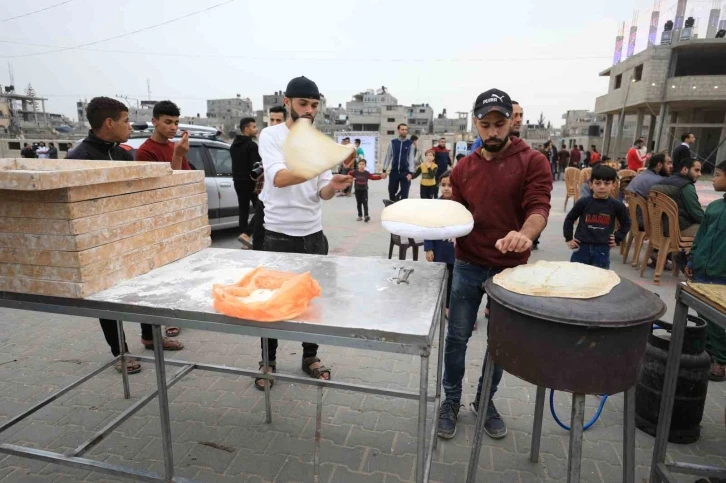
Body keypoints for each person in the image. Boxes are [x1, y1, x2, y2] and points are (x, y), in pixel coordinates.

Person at [438, 88, 552, 441]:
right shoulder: (464, 167)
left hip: (510, 268)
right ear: (475, 123)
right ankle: (451, 400)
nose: (492, 131)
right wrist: (441, 224)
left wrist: (524, 233)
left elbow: (539, 208)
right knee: (456, 337)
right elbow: (456, 213)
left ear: (511, 122)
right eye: (485, 124)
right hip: (468, 263)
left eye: (499, 124)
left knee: (499, 343)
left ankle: (485, 401)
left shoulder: (532, 161)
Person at [67, 97, 184, 373]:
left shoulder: (122, 155)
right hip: (96, 243)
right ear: (109, 123)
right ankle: (120, 352)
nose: (129, 126)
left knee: (146, 289)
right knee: (106, 299)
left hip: (131, 238)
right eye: (125, 121)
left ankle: (150, 336)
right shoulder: (79, 158)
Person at [255, 76, 353, 390]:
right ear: (288, 103)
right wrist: (322, 163)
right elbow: (280, 179)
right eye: (303, 104)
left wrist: (332, 187)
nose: (309, 110)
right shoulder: (271, 136)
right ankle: (267, 361)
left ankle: (309, 357)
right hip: (279, 235)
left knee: (311, 301)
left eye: (314, 105)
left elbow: (319, 193)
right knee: (273, 301)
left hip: (314, 234)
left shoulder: (317, 142)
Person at [133, 100, 189, 345]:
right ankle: (154, 332)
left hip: (177, 219)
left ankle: (173, 315)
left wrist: (179, 155)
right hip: (156, 222)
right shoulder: (145, 151)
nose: (172, 127)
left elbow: (184, 181)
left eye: (176, 122)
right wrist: (177, 156)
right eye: (167, 122)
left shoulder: (177, 147)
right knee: (157, 278)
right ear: (154, 121)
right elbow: (161, 190)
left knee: (178, 272)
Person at [685, 160, 726, 381]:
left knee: (719, 318)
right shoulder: (715, 206)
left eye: (718, 175)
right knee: (704, 314)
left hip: (722, 275)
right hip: (702, 269)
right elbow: (701, 236)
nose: (713, 178)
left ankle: (722, 360)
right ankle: (709, 353)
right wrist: (692, 260)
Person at [564, 165, 630, 269]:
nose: (602, 187)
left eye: (607, 183)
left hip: (602, 249)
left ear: (613, 185)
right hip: (581, 247)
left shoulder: (616, 205)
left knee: (601, 278)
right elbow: (569, 219)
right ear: (591, 184)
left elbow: (626, 223)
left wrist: (617, 237)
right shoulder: (583, 202)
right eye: (598, 183)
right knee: (576, 275)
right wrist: (568, 238)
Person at [249, 106, 287, 251]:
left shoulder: (289, 141)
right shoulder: (266, 137)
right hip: (264, 193)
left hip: (281, 198)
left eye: (278, 120)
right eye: (272, 119)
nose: (274, 123)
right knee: (259, 234)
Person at [424, 169, 455, 317]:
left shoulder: (461, 205)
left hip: (456, 252)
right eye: (443, 185)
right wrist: (428, 248)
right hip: (439, 250)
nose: (446, 188)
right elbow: (428, 226)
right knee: (438, 279)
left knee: (453, 282)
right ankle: (436, 305)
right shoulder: (434, 205)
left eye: (450, 185)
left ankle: (448, 307)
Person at [651, 158, 704, 237]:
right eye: (696, 170)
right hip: (678, 229)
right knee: (716, 229)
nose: (699, 174)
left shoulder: (660, 182)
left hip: (658, 228)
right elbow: (697, 213)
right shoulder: (686, 186)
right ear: (685, 169)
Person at [231, 117, 261, 248]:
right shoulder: (252, 145)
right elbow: (255, 166)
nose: (256, 129)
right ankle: (249, 235)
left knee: (243, 211)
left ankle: (244, 240)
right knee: (261, 209)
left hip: (238, 182)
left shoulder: (233, 145)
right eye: (254, 127)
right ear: (246, 129)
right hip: (251, 182)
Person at [382, 123, 415, 201]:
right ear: (398, 130)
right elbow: (388, 156)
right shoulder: (393, 143)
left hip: (405, 172)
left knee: (404, 194)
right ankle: (392, 208)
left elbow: (411, 159)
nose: (404, 131)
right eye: (402, 129)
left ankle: (402, 211)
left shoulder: (410, 144)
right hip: (394, 172)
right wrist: (384, 170)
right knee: (391, 192)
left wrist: (410, 173)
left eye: (406, 130)